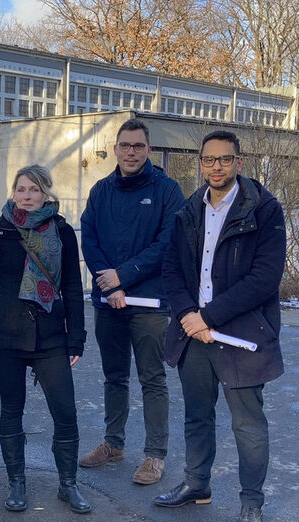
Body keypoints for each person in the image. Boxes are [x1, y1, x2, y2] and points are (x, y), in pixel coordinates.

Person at [153, 130, 286, 522]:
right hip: (194, 333)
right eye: (208, 160)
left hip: (241, 335)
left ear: (239, 163)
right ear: (200, 163)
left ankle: (251, 502)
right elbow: (172, 270)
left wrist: (207, 316)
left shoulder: (264, 210)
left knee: (247, 424)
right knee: (197, 414)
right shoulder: (189, 209)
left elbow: (264, 279)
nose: (216, 167)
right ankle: (197, 484)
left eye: (224, 159)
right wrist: (189, 315)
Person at [0, 165, 90, 514]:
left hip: (51, 334)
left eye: (33, 189)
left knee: (65, 411)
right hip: (5, 332)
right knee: (12, 410)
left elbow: (70, 286)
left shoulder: (63, 232)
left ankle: (68, 485)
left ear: (46, 193)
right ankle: (17, 483)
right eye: (21, 189)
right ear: (13, 192)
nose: (26, 195)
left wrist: (76, 338)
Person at [79, 118, 185, 486]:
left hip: (150, 303)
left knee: (152, 378)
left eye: (138, 146)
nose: (131, 152)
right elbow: (89, 240)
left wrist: (123, 276)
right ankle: (114, 443)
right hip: (109, 301)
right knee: (114, 376)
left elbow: (167, 242)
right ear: (115, 148)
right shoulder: (100, 191)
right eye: (125, 145)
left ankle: (155, 455)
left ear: (149, 150)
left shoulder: (167, 191)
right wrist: (110, 287)